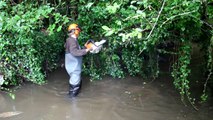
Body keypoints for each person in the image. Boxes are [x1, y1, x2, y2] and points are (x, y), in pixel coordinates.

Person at [65, 23, 91, 97]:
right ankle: (71, 101)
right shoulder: (71, 40)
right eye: (78, 30)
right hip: (74, 68)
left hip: (74, 67)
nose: (78, 32)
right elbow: (74, 52)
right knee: (74, 86)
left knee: (77, 81)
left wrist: (85, 47)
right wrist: (87, 50)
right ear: (74, 31)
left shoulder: (72, 40)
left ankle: (73, 99)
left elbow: (75, 50)